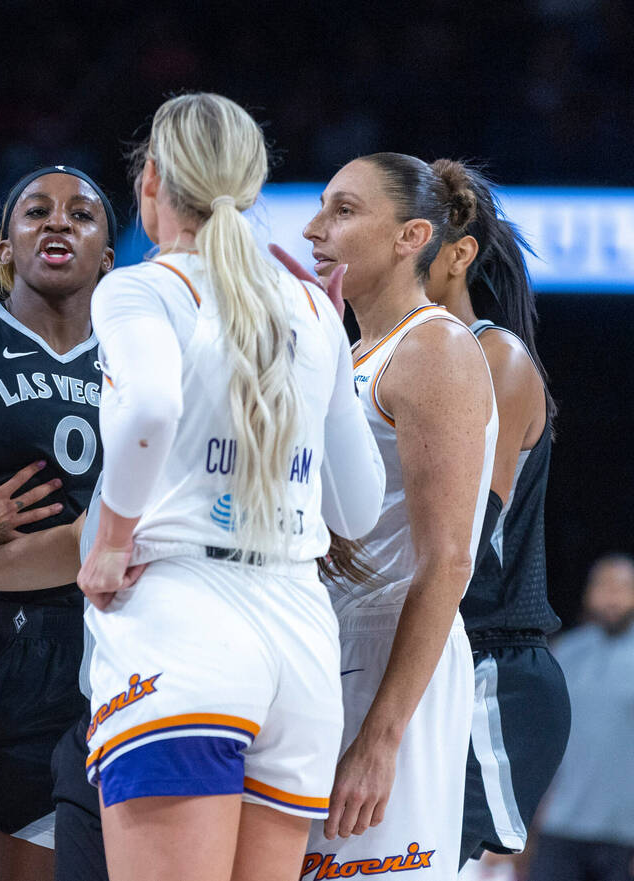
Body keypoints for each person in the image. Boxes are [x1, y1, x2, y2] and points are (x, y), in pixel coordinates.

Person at [78, 92, 385, 881]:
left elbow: (148, 406)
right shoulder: (313, 309)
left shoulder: (145, 287)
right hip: (300, 639)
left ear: (150, 180)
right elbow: (358, 505)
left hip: (182, 621)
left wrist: (110, 543)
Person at [299, 152, 498, 881]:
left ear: (413, 236)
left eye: (344, 211)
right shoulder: (351, 350)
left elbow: (447, 558)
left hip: (392, 662)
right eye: (322, 206)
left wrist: (383, 736)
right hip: (330, 649)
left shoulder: (434, 346)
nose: (315, 228)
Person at [0, 164, 115, 881]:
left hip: (67, 651)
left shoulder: (139, 358)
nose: (58, 222)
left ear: (108, 252)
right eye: (36, 211)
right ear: (6, 245)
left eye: (81, 214)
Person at [421, 160, 570, 869]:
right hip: (409, 659)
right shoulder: (365, 360)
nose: (322, 232)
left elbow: (461, 548)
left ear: (454, 253)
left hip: (486, 668)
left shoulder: (494, 357)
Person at [528, 554, 634, 881]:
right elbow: (543, 741)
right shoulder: (564, 653)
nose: (612, 597)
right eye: (604, 586)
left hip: (624, 832)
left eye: (623, 587)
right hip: (560, 825)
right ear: (589, 593)